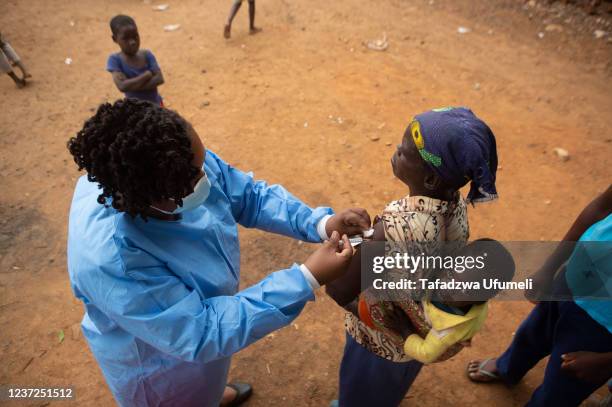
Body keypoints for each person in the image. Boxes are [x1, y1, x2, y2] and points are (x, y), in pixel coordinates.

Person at [66, 98, 371, 407]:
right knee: (179, 395)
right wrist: (305, 278)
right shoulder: (111, 258)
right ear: (148, 196)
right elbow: (200, 333)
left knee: (204, 383)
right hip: (159, 364)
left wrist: (320, 223)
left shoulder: (177, 158)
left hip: (203, 339)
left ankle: (208, 395)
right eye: (192, 181)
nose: (207, 182)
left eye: (201, 165)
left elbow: (247, 195)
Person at [326, 106, 499, 406]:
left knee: (361, 392)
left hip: (379, 341)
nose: (396, 151)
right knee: (389, 389)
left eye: (405, 153)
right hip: (421, 331)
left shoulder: (396, 224)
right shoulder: (455, 207)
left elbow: (339, 289)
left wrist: (352, 249)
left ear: (431, 180)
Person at [467, 185, 612, 407]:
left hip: (602, 329)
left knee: (559, 391)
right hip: (571, 280)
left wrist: (606, 363)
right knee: (533, 333)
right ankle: (508, 367)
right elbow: (601, 207)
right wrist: (549, 267)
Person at [376, 239, 515, 364]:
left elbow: (425, 354)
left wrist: (406, 331)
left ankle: (467, 333)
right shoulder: (467, 293)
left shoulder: (448, 330)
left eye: (464, 289)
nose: (448, 287)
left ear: (479, 301)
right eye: (450, 274)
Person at [107, 15, 165, 105]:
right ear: (115, 39)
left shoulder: (147, 54)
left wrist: (132, 86)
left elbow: (159, 79)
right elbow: (122, 86)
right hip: (135, 111)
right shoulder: (115, 60)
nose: (132, 42)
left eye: (135, 36)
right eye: (126, 38)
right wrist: (147, 75)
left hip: (156, 106)